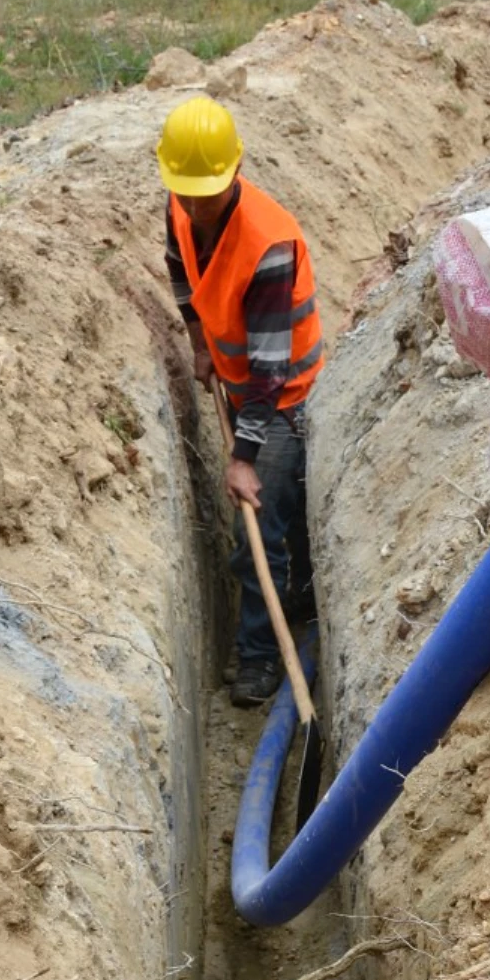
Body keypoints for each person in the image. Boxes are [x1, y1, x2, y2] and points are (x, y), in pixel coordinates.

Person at [158, 95, 324, 707]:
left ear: (235, 171)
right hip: (241, 376)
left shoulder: (268, 244)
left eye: (208, 192)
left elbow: (271, 370)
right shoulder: (182, 199)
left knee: (254, 523)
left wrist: (244, 456)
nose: (196, 206)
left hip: (285, 394)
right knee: (275, 512)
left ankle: (260, 659)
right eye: (187, 192)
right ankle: (297, 600)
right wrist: (199, 341)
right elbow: (179, 265)